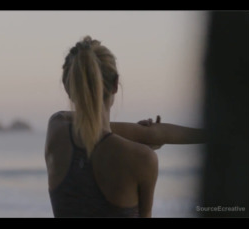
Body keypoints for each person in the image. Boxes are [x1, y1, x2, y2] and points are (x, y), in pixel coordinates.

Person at [44, 36, 206, 218]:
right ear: (115, 85)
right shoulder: (142, 159)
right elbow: (143, 135)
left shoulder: (56, 128)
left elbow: (98, 131)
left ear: (68, 88)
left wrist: (139, 137)